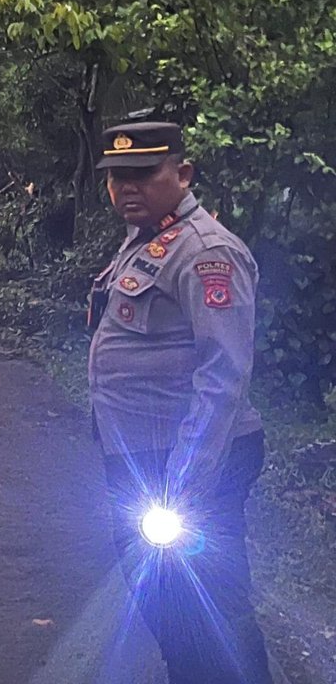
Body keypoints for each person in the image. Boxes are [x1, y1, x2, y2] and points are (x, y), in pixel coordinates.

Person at [87, 121, 271, 684]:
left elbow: (224, 375)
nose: (127, 188)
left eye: (144, 173)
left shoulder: (206, 252)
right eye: (117, 176)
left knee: (209, 614)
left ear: (183, 173)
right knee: (170, 610)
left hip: (184, 463)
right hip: (143, 454)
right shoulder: (148, 237)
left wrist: (183, 482)